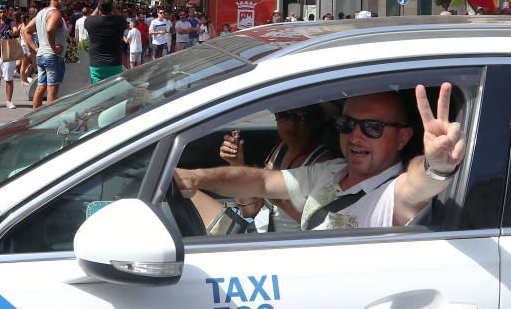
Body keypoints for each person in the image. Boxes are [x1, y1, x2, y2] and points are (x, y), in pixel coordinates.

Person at [175, 83, 465, 231]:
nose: (355, 136)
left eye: (372, 128)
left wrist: (435, 167)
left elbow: (418, 186)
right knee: (174, 186)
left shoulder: (392, 194)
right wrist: (198, 177)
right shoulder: (331, 170)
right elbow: (262, 182)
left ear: (403, 137)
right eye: (347, 125)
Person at [218, 105, 334, 233]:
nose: (291, 123)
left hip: (280, 245)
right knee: (192, 189)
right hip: (254, 230)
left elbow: (324, 227)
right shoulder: (281, 146)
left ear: (315, 121)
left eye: (301, 117)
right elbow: (249, 210)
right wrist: (236, 164)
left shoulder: (324, 163)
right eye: (284, 114)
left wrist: (281, 201)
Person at [23, 0, 66, 109]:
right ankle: (48, 120)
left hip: (42, 55)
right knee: (52, 90)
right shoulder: (55, 13)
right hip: (52, 56)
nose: (66, 0)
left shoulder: (41, 13)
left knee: (41, 87)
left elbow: (26, 30)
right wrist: (54, 47)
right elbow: (50, 29)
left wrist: (36, 49)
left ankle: (34, 116)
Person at [84, 0, 129, 83]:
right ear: (112, 8)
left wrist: (99, 5)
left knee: (97, 91)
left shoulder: (91, 22)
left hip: (96, 64)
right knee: (113, 90)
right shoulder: (120, 21)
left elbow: (89, 17)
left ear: (99, 8)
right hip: (115, 63)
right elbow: (121, 17)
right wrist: (114, 7)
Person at [0, 4, 20, 108]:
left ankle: (8, 101)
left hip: (7, 55)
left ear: (7, 12)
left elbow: (16, 30)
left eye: (4, 11)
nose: (2, 14)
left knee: (8, 79)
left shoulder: (11, 22)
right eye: (0, 12)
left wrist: (13, 32)